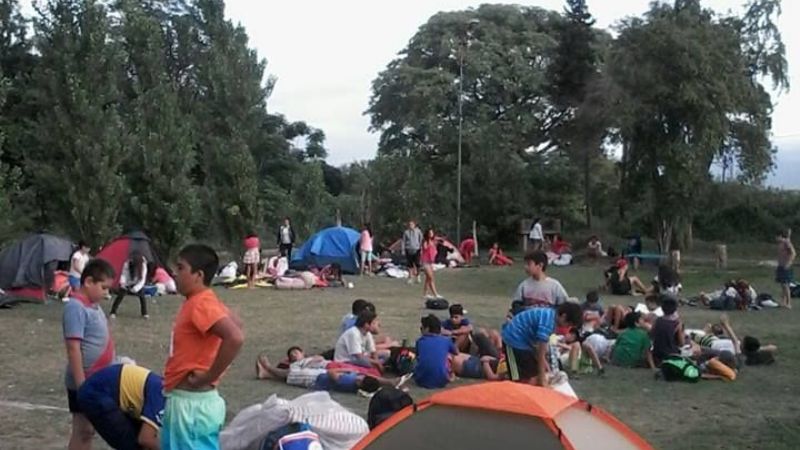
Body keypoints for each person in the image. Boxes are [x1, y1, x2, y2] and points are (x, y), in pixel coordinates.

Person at [162, 244, 244, 450]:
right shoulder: (200, 301)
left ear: (198, 275)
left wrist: (209, 375)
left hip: (192, 408)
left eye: (181, 268)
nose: (175, 273)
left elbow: (235, 336)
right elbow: (236, 323)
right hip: (188, 403)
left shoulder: (201, 303)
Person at [63, 259, 116, 450]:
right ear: (88, 282)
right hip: (84, 381)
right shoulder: (75, 307)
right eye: (103, 287)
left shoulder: (93, 306)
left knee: (89, 430)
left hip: (97, 379)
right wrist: (81, 385)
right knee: (83, 430)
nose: (106, 293)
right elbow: (73, 348)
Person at [77, 363, 164, 450]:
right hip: (98, 393)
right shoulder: (162, 398)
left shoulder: (164, 392)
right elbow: (145, 439)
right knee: (132, 445)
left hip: (109, 386)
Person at [501, 303, 582, 386]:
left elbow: (538, 350)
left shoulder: (550, 315)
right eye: (568, 325)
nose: (567, 327)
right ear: (563, 317)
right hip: (513, 340)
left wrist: (546, 367)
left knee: (532, 372)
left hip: (525, 343)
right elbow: (540, 353)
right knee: (518, 377)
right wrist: (542, 378)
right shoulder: (548, 323)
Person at [256, 348, 406, 393]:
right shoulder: (354, 382)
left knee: (293, 374)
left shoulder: (349, 381)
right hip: (318, 375)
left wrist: (344, 371)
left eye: (296, 353)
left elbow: (332, 375)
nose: (359, 378)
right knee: (293, 373)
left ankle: (268, 369)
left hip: (317, 378)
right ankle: (266, 373)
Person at [414, 315, 458, 389]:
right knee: (449, 355)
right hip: (442, 381)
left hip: (420, 380)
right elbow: (457, 352)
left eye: (422, 328)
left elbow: (418, 357)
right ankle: (449, 374)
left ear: (427, 329)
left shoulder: (420, 341)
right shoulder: (446, 340)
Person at [110, 253, 149, 319]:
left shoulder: (143, 266)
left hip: (137, 283)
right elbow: (124, 275)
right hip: (128, 282)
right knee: (120, 295)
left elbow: (142, 280)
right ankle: (113, 312)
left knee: (142, 297)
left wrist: (135, 289)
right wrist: (123, 284)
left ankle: (144, 313)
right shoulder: (127, 264)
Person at [650, 295, 684, 366]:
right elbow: (681, 343)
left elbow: (651, 335)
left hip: (657, 355)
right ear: (675, 309)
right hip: (671, 355)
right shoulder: (677, 323)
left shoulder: (657, 320)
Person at [776, 229, 796, 309]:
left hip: (786, 266)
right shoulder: (782, 243)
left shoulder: (786, 242)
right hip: (781, 266)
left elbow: (793, 253)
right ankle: (783, 302)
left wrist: (788, 263)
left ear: (780, 236)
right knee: (782, 285)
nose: (776, 238)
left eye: (777, 237)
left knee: (786, 285)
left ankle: (789, 303)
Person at [421, 228, 442, 299]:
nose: (431, 234)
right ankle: (435, 294)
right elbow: (424, 248)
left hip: (430, 262)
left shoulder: (433, 241)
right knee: (431, 278)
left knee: (428, 278)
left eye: (432, 233)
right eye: (430, 233)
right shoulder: (426, 241)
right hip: (425, 262)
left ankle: (425, 294)